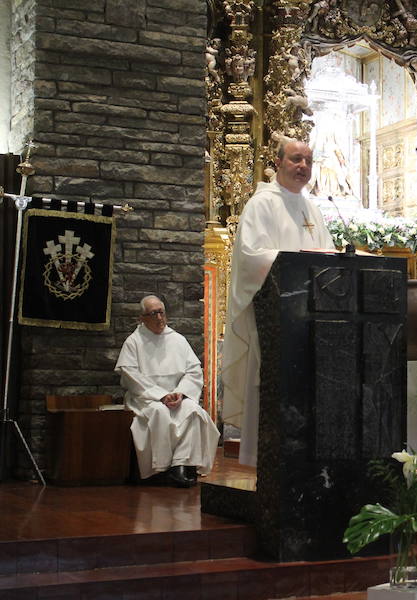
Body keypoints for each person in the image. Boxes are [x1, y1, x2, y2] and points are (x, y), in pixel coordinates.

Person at [221, 138, 336, 467]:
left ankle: (304, 464)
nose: (303, 167)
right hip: (278, 317)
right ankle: (272, 465)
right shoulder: (262, 204)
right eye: (296, 159)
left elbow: (327, 257)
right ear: (278, 162)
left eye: (309, 161)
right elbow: (250, 257)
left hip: (310, 319)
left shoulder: (311, 207)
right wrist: (296, 263)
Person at [115, 295, 219, 487]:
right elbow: (130, 375)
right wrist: (160, 395)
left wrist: (180, 393)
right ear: (142, 318)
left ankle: (180, 465)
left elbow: (193, 371)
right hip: (145, 399)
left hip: (176, 396)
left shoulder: (177, 340)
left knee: (193, 412)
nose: (159, 318)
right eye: (153, 313)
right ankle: (160, 469)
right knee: (160, 412)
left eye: (161, 312)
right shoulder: (134, 342)